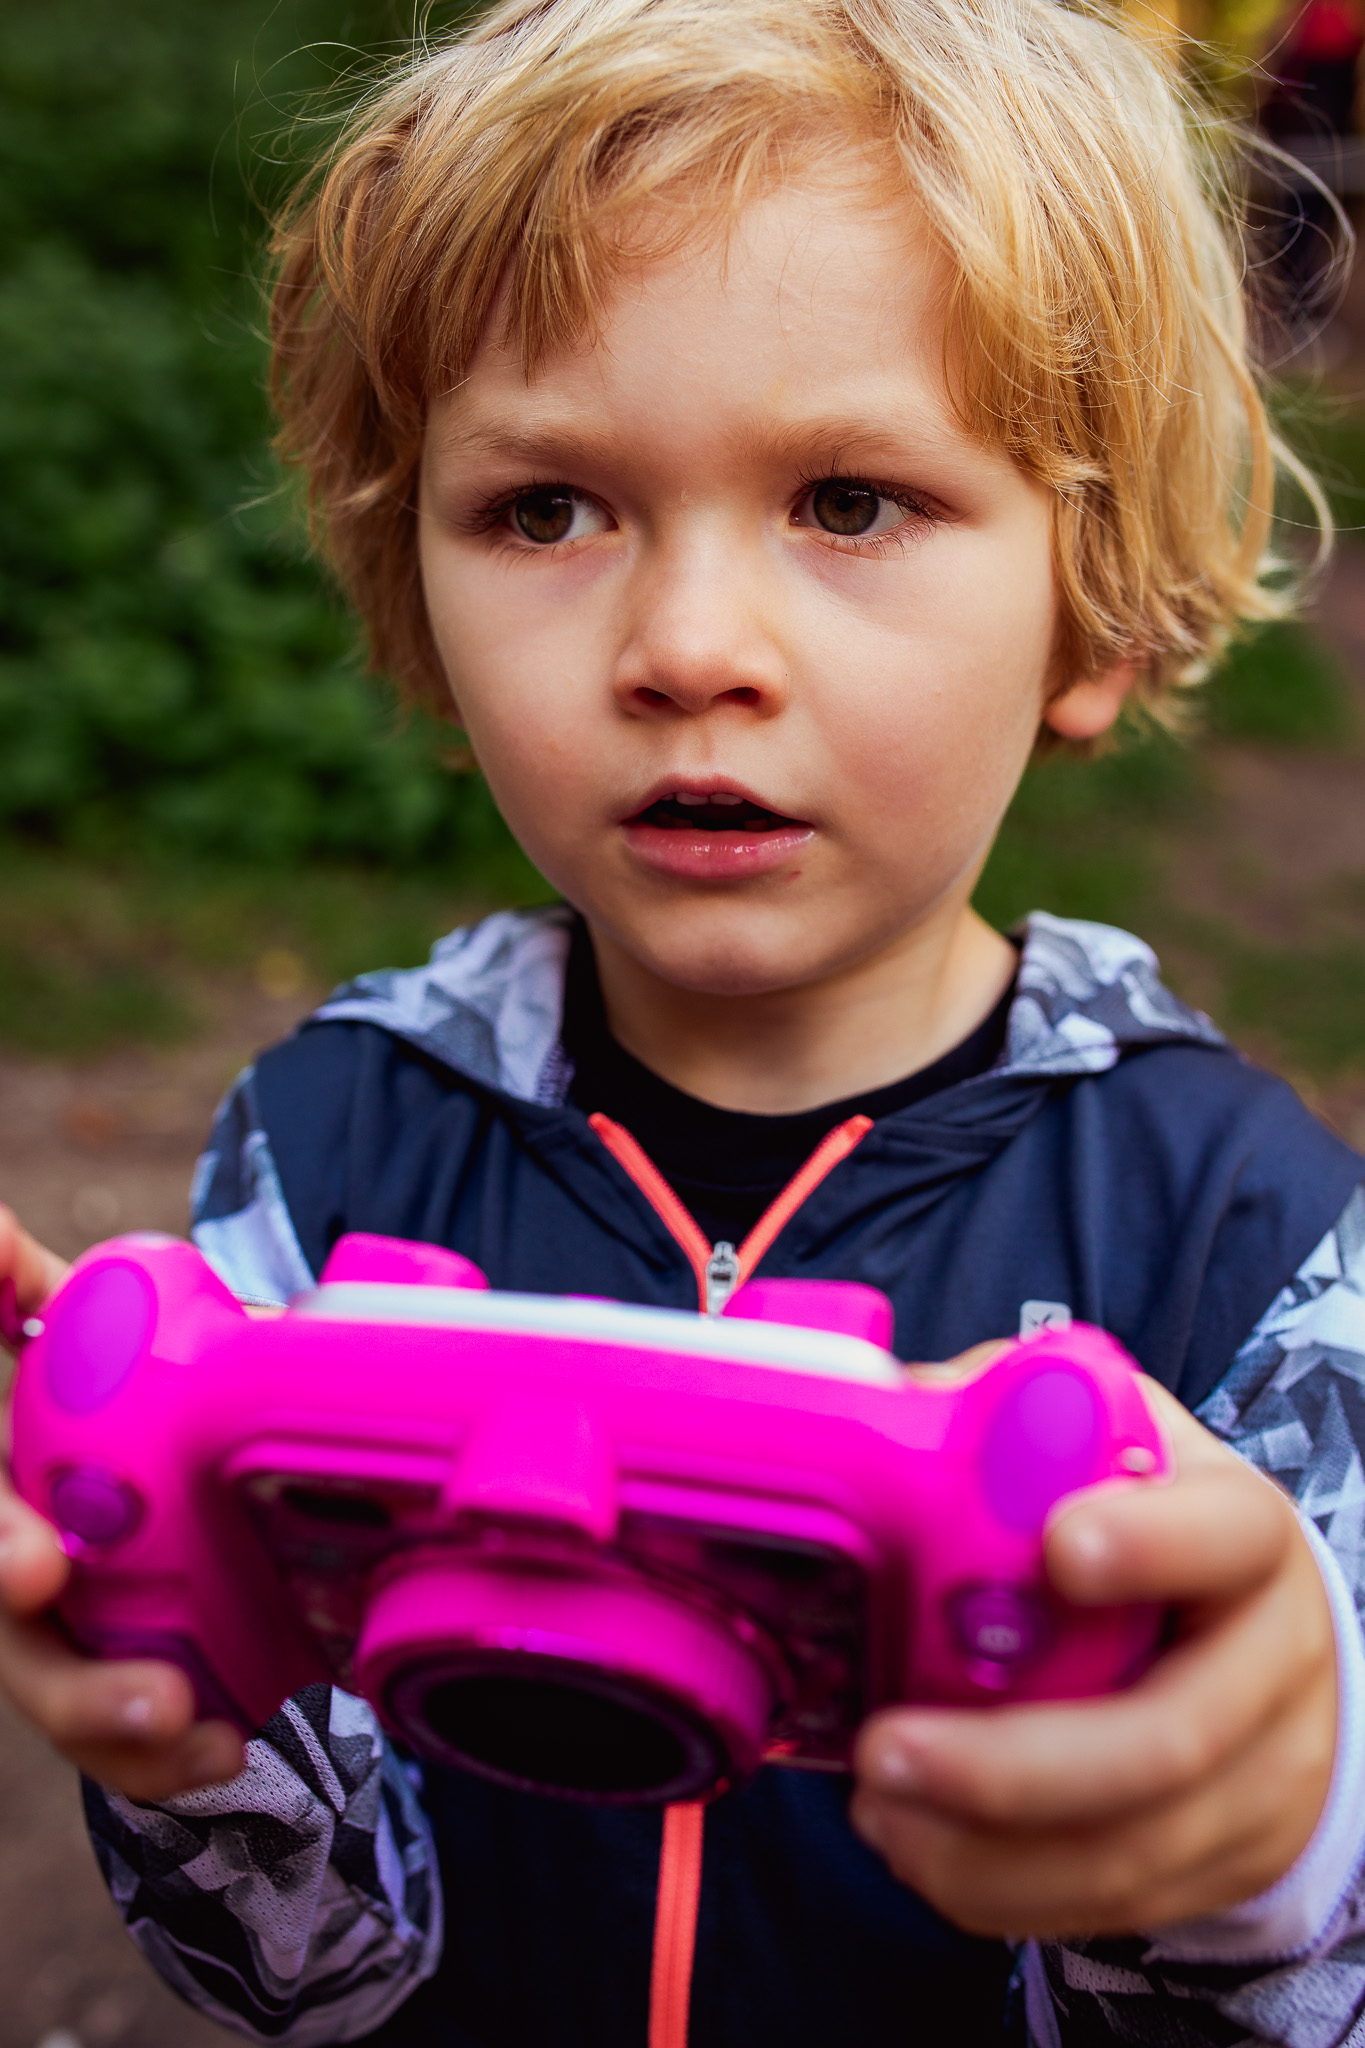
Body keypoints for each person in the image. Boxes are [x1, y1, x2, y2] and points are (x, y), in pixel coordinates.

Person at [1, 0, 1364, 2040]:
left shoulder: (1244, 1241)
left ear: (1087, 605)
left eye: (844, 500)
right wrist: (182, 1713)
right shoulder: (332, 1132)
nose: (684, 648)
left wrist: (1266, 1839)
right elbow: (317, 1986)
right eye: (546, 508)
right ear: (419, 598)